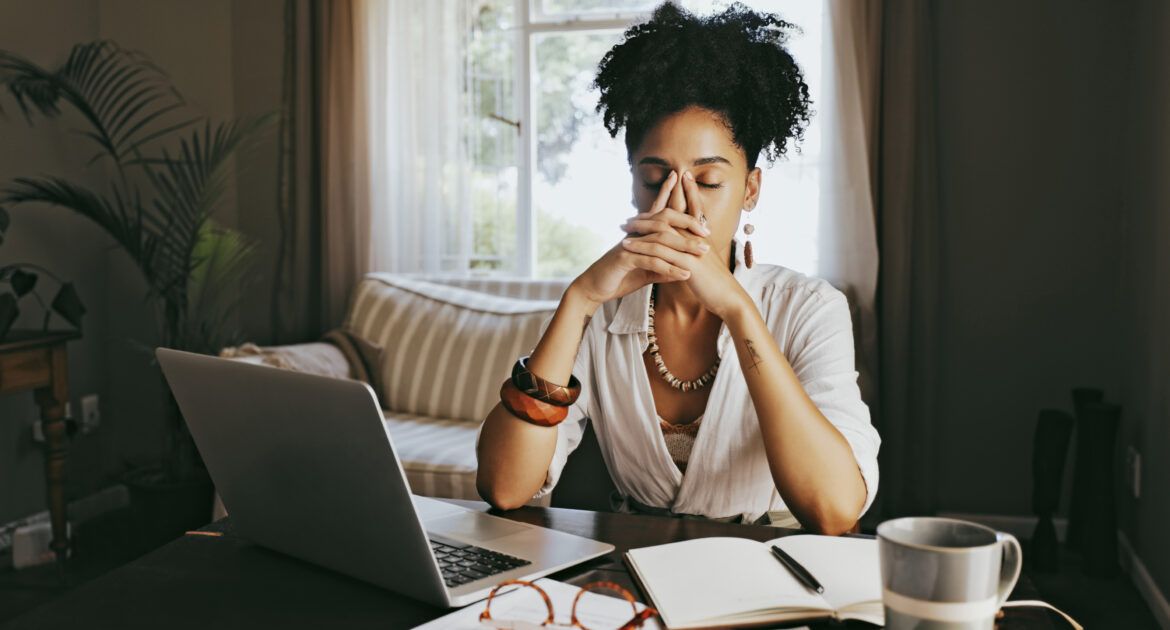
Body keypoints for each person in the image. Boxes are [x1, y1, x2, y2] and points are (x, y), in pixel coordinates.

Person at [476, 1, 879, 535]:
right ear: (632, 184)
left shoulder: (809, 308)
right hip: (633, 568)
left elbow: (834, 509)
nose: (681, 205)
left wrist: (737, 309)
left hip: (771, 574)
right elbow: (504, 486)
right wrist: (577, 303)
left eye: (708, 182)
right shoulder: (601, 310)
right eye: (654, 178)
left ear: (750, 190)